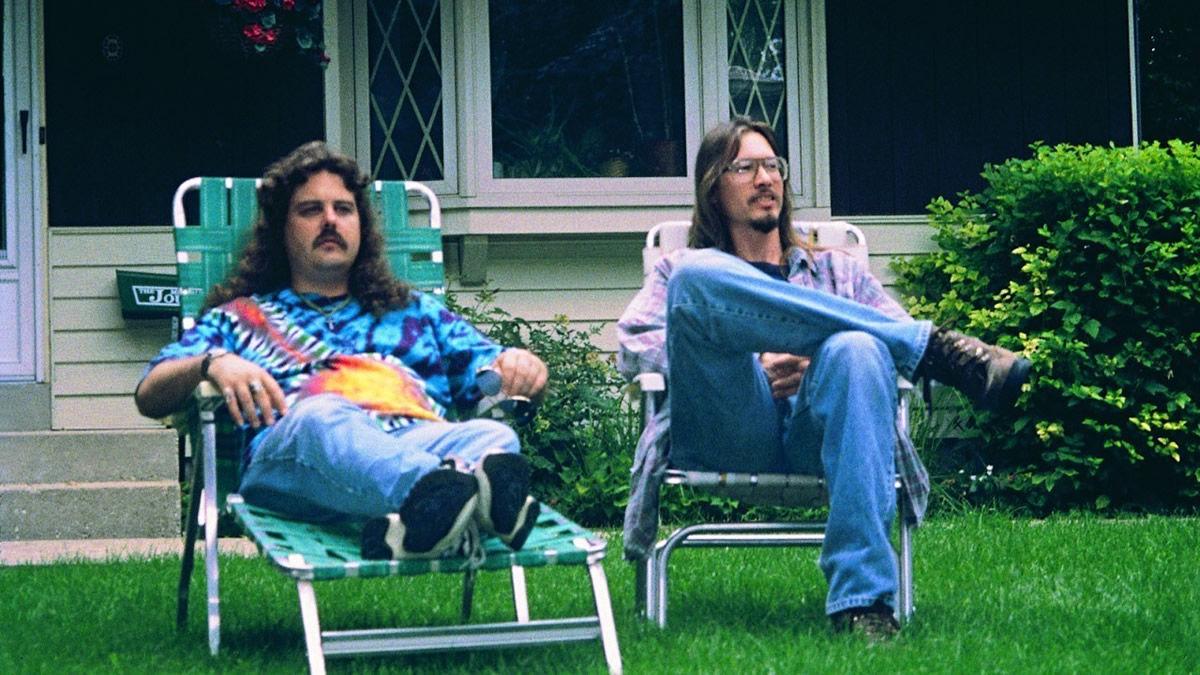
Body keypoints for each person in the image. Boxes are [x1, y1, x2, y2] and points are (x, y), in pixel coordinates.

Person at [617, 118, 1031, 641]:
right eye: (745, 168)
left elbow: (880, 348)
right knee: (695, 280)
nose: (765, 179)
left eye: (773, 166)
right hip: (729, 424)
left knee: (858, 348)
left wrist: (817, 361)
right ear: (713, 187)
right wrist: (746, 354)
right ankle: (935, 351)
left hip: (821, 432)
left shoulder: (839, 271)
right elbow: (635, 344)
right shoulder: (681, 267)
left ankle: (864, 605)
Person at [135, 141, 548, 561]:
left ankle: (416, 527)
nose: (330, 220)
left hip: (412, 439)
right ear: (281, 229)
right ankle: (450, 495)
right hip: (299, 458)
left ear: (361, 227)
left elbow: (492, 371)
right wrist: (212, 363)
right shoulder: (241, 318)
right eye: (310, 210)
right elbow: (149, 393)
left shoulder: (414, 313)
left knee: (494, 436)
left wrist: (522, 366)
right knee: (323, 414)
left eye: (344, 209)